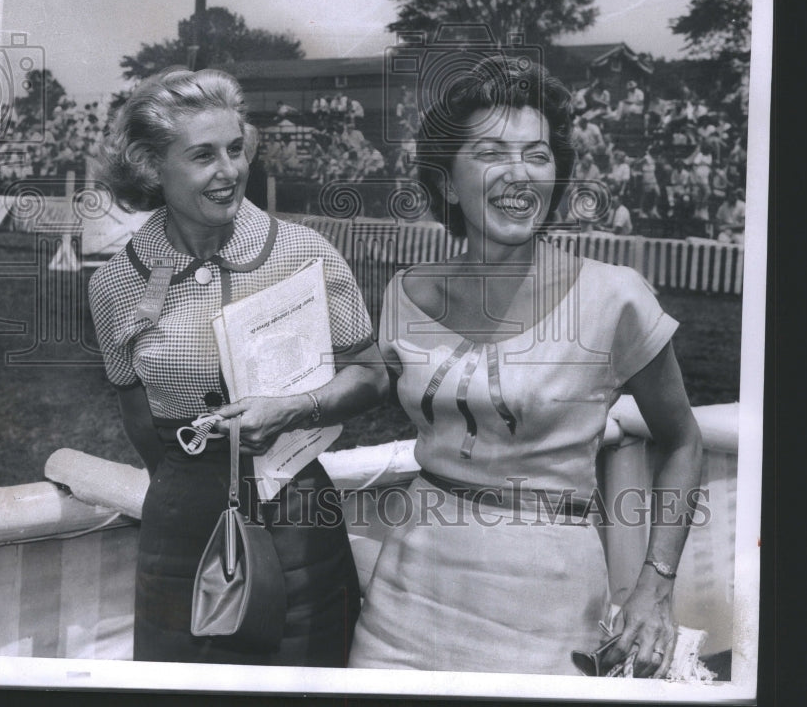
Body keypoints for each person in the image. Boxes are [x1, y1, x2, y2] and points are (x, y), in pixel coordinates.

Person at [349, 56, 703, 676]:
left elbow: (682, 440)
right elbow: (370, 381)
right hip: (401, 606)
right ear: (448, 182)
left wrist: (656, 584)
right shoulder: (406, 291)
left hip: (545, 608)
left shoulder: (614, 297)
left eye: (537, 155)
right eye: (490, 153)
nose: (519, 174)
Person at [89, 68, 387, 665]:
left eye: (234, 148)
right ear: (151, 167)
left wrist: (298, 409)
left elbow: (373, 376)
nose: (229, 171)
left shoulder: (306, 252)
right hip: (180, 529)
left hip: (299, 514)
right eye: (202, 156)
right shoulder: (114, 283)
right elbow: (138, 416)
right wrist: (188, 484)